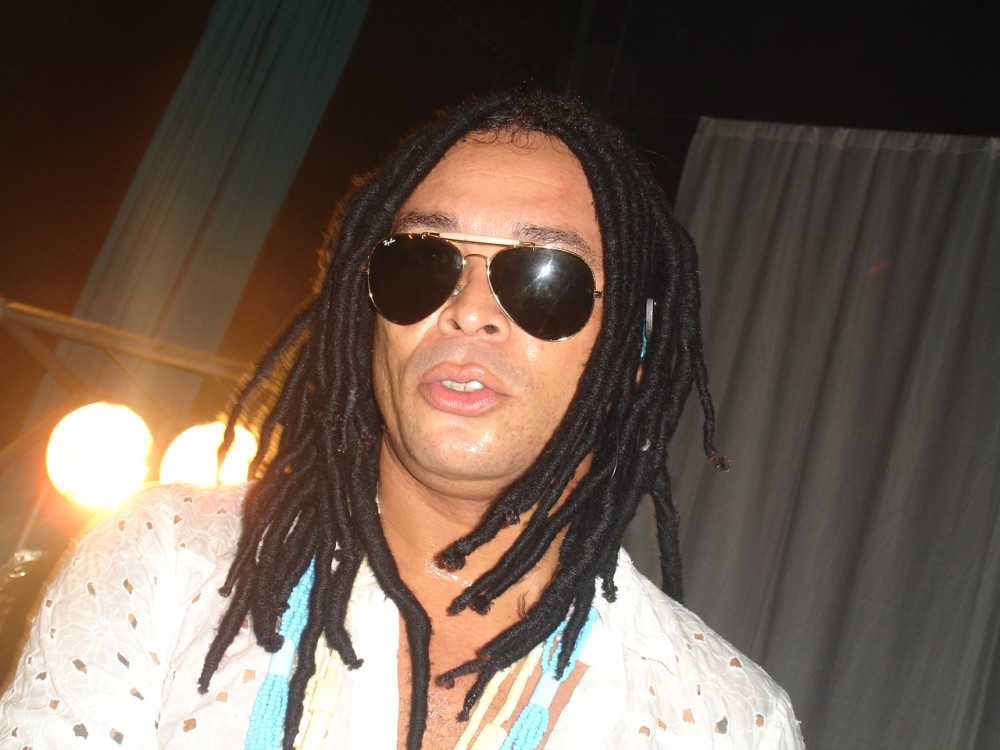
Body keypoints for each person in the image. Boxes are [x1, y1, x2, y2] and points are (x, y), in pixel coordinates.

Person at [0, 88, 803, 749]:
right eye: (423, 263)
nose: (469, 310)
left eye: (545, 278)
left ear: (632, 357)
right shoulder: (166, 564)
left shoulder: (727, 721)